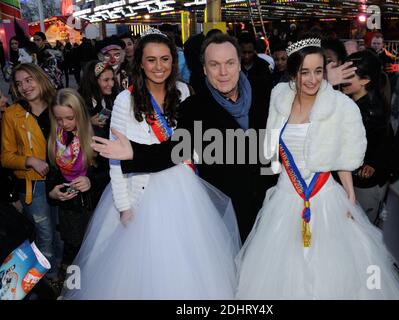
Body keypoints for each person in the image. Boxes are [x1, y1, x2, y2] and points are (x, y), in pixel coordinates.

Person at [61, 28, 240, 299]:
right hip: (139, 193)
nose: (159, 66)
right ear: (140, 63)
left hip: (183, 190)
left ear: (174, 61)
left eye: (165, 59)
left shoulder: (182, 91)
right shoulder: (125, 100)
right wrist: (123, 206)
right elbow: (116, 158)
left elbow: (186, 144)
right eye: (152, 60)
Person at [234, 36, 399, 299]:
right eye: (305, 72)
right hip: (285, 195)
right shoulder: (279, 98)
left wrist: (350, 197)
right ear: (293, 72)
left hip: (325, 196)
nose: (312, 79)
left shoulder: (340, 105)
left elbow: (344, 156)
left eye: (319, 71)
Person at [90, 33, 274, 242]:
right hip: (225, 212)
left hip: (269, 206)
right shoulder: (196, 107)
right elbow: (173, 150)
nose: (223, 72)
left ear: (240, 64)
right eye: (214, 65)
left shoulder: (268, 94)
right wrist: (133, 152)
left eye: (230, 63)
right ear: (204, 69)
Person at [1, 63, 59, 280]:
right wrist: (30, 160)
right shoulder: (12, 114)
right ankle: (47, 280)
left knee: (60, 233)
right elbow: (6, 157)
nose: (24, 87)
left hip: (62, 179)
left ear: (39, 78)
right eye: (19, 83)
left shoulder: (58, 104)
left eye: (28, 80)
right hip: (33, 185)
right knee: (44, 235)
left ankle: (59, 271)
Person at [46, 88, 101, 275]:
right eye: (59, 119)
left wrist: (90, 180)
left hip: (94, 206)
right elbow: (51, 174)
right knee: (73, 253)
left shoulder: (97, 134)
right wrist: (52, 192)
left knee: (95, 252)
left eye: (70, 118)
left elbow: (109, 173)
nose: (64, 124)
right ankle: (73, 289)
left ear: (80, 113)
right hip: (69, 210)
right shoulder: (55, 138)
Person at [342, 50, 392, 223]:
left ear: (365, 80)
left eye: (349, 76)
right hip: (355, 181)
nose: (342, 79)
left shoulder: (370, 111)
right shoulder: (352, 102)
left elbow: (384, 144)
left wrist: (373, 163)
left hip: (365, 185)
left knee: (360, 233)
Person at [78, 60, 118, 139]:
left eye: (112, 79)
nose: (111, 84)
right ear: (93, 80)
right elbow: (67, 125)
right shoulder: (79, 101)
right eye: (106, 80)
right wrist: (88, 122)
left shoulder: (113, 97)